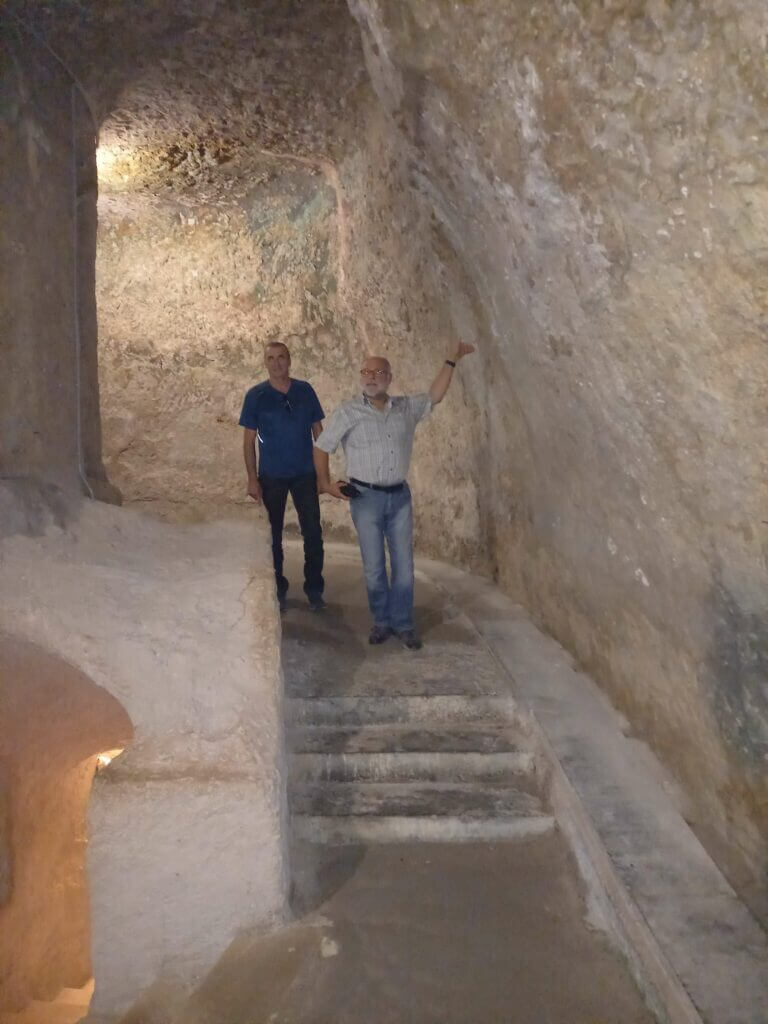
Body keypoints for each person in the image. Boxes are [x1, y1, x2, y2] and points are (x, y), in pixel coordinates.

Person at [313, 342, 475, 649]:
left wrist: (451, 359)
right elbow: (322, 445)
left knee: (403, 564)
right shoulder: (349, 412)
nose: (371, 377)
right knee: (374, 566)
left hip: (399, 498)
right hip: (365, 498)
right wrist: (325, 484)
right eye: (366, 372)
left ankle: (403, 623)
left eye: (378, 372)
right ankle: (381, 622)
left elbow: (434, 396)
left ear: (389, 377)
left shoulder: (406, 408)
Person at [240, 341, 325, 612]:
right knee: (273, 535)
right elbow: (248, 441)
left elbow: (319, 433)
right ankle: (278, 588)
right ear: (265, 363)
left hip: (304, 474)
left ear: (290, 360)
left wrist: (323, 475)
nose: (277, 363)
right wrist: (252, 479)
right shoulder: (256, 396)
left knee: (312, 532)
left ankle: (314, 589)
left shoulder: (305, 391)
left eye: (281, 357)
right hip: (272, 476)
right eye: (271, 358)